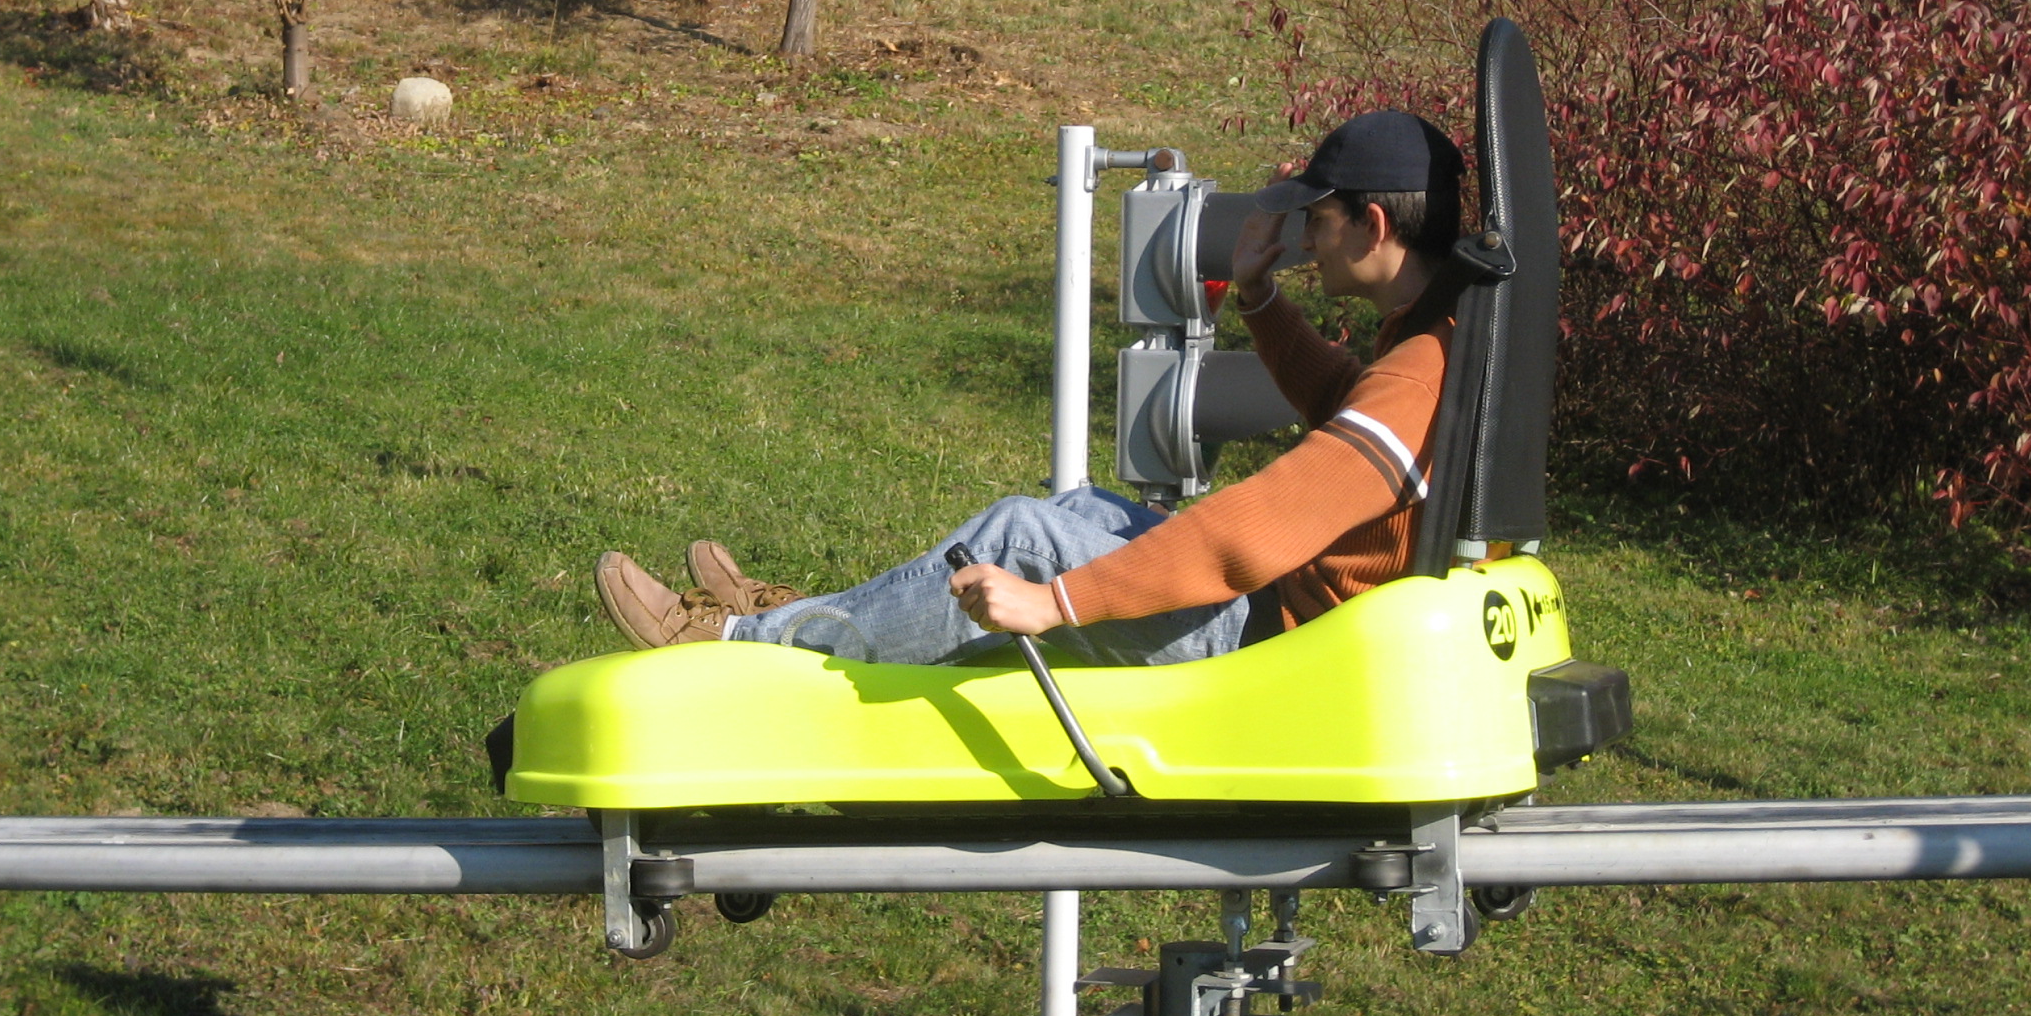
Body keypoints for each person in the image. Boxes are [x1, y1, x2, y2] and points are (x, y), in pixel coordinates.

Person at [593, 107, 1465, 665]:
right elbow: (1345, 404)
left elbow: (1252, 530)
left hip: (1280, 644)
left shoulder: (1419, 379)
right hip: (1302, 620)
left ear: (1373, 224)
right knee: (1079, 507)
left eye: (1319, 218)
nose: (1307, 237)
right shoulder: (1436, 338)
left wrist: (1057, 602)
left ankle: (738, 647)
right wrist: (1259, 298)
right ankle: (813, 619)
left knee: (1022, 538)